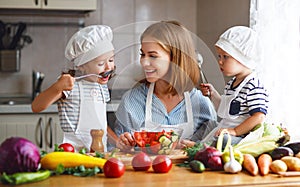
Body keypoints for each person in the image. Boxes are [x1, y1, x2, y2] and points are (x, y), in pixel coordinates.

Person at [113, 20, 217, 150]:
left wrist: (199, 148)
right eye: (142, 54)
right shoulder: (132, 101)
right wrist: (122, 144)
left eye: (153, 56)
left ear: (175, 58)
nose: (144, 62)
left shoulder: (201, 104)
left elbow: (212, 152)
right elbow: (116, 150)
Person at [31, 25, 118, 152]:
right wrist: (57, 87)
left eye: (111, 60)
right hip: (72, 155)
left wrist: (117, 142)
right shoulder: (70, 85)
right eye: (100, 63)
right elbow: (36, 106)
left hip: (99, 153)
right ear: (81, 66)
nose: (108, 67)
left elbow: (102, 125)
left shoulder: (101, 87)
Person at [194, 26, 269, 147]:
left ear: (242, 58)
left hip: (241, 136)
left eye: (225, 57)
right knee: (206, 125)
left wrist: (235, 131)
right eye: (219, 56)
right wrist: (213, 94)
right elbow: (225, 111)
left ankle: (198, 147)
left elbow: (259, 117)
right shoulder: (231, 84)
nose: (220, 61)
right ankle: (197, 145)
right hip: (226, 129)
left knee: (223, 140)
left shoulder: (253, 86)